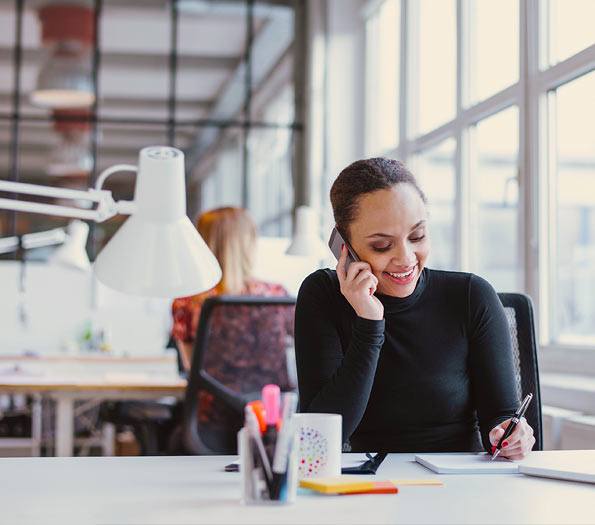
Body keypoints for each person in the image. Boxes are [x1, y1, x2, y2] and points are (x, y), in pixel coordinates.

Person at [295, 158, 535, 459]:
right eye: (382, 245)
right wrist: (369, 322)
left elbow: (500, 419)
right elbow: (319, 441)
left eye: (417, 236)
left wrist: (511, 435)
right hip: (370, 487)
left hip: (460, 486)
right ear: (345, 247)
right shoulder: (323, 296)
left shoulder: (472, 296)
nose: (406, 258)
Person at [171, 206, 291, 441]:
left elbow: (190, 367)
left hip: (210, 426)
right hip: (270, 424)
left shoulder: (187, 301)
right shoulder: (278, 296)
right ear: (249, 244)